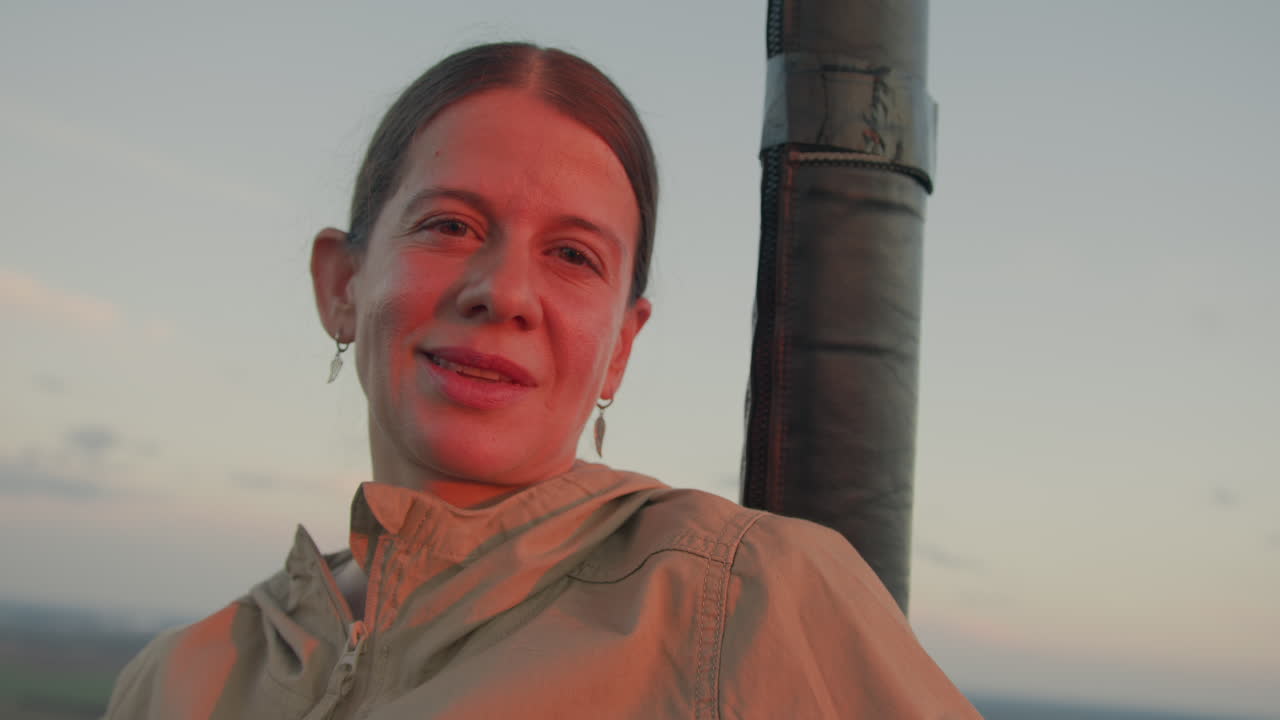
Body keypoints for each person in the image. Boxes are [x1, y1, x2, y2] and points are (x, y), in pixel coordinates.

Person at [104, 42, 981, 719]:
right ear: (342, 283)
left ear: (621, 347)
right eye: (449, 224)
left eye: (572, 256)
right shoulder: (178, 678)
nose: (505, 293)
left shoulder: (741, 597)